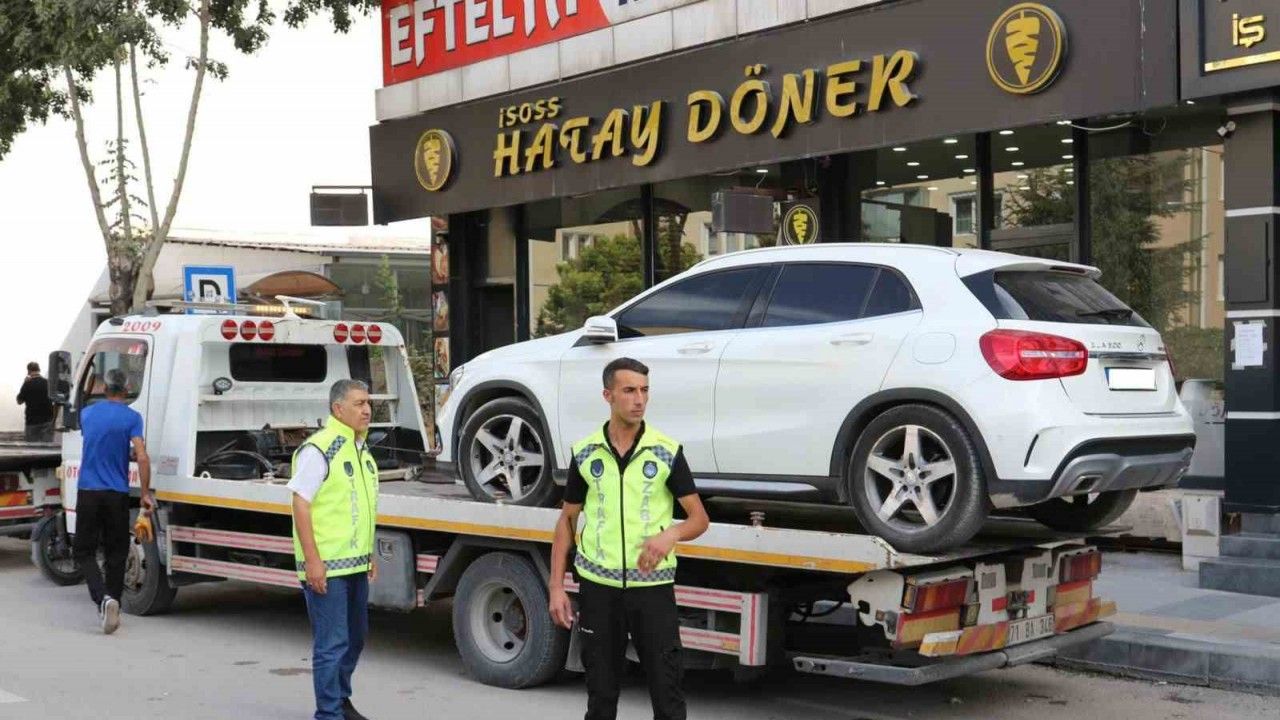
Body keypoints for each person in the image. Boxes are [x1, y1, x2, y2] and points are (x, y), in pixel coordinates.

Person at [548, 357, 710, 720]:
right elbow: (567, 520)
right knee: (600, 699)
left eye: (645, 391)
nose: (639, 399)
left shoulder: (666, 451)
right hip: (598, 591)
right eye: (629, 390)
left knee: (668, 698)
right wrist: (556, 587)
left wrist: (671, 534)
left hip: (652, 591)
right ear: (608, 396)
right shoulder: (586, 453)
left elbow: (699, 519)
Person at [289, 379, 379, 720]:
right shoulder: (319, 449)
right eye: (358, 403)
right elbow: (301, 504)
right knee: (332, 643)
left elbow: (361, 506)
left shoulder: (361, 449)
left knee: (355, 639)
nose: (367, 410)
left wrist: (369, 553)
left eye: (368, 403)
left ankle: (340, 701)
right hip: (327, 566)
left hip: (355, 564)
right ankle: (328, 713)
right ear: (338, 409)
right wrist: (313, 561)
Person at [74, 369, 152, 634]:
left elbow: (96, 442)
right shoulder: (132, 417)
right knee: (116, 553)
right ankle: (113, 602)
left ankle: (102, 600)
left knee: (83, 551)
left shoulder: (87, 414)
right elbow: (142, 456)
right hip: (117, 494)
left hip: (88, 491)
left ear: (105, 388)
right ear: (127, 388)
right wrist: (145, 493)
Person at [16, 362, 54, 442]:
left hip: (32, 422)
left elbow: (19, 401)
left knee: (31, 447)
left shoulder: (27, 384)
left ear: (29, 371)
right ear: (39, 370)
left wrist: (24, 383)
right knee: (47, 447)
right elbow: (55, 400)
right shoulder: (48, 383)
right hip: (47, 421)